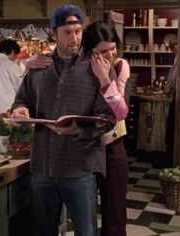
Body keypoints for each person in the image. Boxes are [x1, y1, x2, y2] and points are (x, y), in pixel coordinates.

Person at [11, 5, 116, 236]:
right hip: (42, 167)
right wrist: (19, 111)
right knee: (42, 230)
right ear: (54, 33)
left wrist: (77, 129)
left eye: (78, 31)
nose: (75, 37)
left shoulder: (98, 67)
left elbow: (109, 119)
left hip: (80, 168)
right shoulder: (38, 68)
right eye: (67, 32)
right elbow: (20, 101)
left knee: (85, 232)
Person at [82, 21, 130, 236]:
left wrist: (103, 78)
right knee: (83, 210)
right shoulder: (79, 68)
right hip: (86, 146)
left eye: (112, 48)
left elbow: (120, 111)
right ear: (89, 50)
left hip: (112, 145)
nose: (110, 54)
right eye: (103, 51)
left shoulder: (120, 66)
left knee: (115, 210)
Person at [165, 38, 178, 167]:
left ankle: (170, 159)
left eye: (173, 48)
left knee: (172, 127)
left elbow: (174, 78)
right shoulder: (176, 59)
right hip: (174, 93)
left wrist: (170, 88)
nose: (172, 51)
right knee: (170, 127)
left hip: (177, 93)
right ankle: (168, 157)